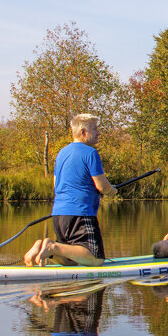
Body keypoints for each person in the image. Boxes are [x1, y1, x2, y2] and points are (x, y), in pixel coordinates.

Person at [24, 114, 117, 267]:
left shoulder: (62, 153)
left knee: (71, 261)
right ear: (83, 132)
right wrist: (112, 191)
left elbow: (56, 185)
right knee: (96, 259)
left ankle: (43, 248)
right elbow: (102, 186)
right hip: (81, 212)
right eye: (95, 129)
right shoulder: (90, 153)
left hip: (59, 214)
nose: (98, 132)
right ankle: (51, 247)